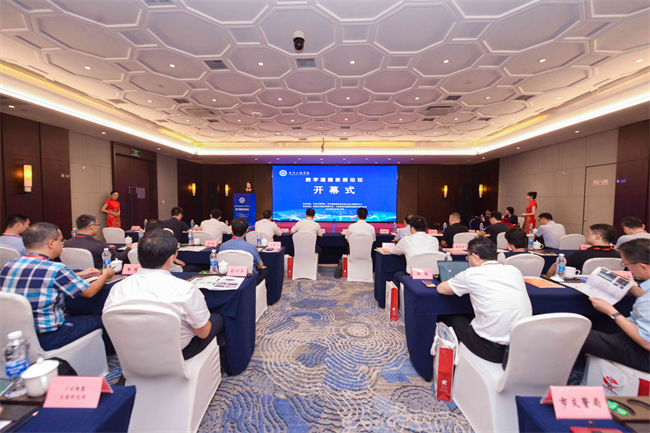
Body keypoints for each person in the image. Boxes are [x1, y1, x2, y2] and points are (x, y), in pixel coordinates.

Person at [103, 230, 224, 360]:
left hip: (131, 352)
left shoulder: (117, 288)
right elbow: (203, 333)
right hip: (176, 354)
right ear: (172, 258)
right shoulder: (186, 290)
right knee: (218, 319)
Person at [0, 223, 114, 351]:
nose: (62, 245)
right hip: (50, 336)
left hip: (15, 335)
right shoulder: (56, 268)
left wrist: (79, 274)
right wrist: (105, 274)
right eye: (60, 241)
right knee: (99, 319)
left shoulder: (8, 266)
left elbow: (39, 276)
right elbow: (90, 291)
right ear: (51, 244)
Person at [437, 237, 532, 363]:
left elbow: (441, 289)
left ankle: (451, 361)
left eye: (468, 257)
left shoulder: (471, 274)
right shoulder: (514, 271)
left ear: (475, 257)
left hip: (490, 349)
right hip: (519, 347)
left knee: (450, 317)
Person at [578, 239, 649, 371]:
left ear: (643, 267)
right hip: (636, 332)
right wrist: (630, 287)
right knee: (589, 321)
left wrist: (612, 312)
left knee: (572, 333)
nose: (627, 268)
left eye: (626, 264)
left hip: (642, 352)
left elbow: (646, 342)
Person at [547, 224, 620, 276]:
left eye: (589, 233)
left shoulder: (583, 254)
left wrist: (548, 276)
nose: (587, 235)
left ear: (597, 236)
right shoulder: (619, 255)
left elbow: (557, 265)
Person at [64, 214, 132, 269]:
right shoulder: (99, 245)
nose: (98, 227)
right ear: (91, 226)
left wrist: (106, 247)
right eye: (97, 225)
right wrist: (128, 248)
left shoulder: (67, 244)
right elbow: (119, 258)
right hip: (99, 276)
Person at [219, 218, 269, 285]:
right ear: (246, 231)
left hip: (227, 277)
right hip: (248, 280)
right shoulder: (251, 247)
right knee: (265, 270)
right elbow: (260, 265)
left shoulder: (222, 246)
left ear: (232, 230)